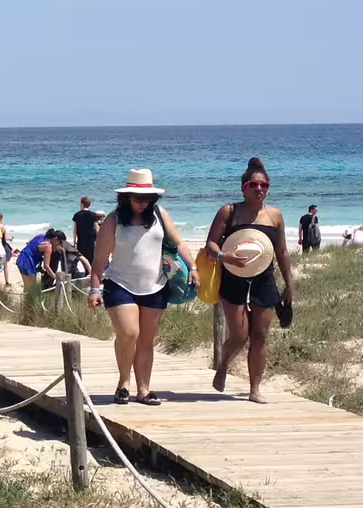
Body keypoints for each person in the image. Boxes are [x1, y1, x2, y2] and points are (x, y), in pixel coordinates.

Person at [88, 169, 196, 405]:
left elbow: (179, 243)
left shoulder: (160, 214)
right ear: (126, 198)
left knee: (146, 340)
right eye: (138, 199)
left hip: (156, 285)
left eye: (148, 199)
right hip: (119, 284)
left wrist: (193, 267)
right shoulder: (113, 220)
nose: (143, 203)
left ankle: (144, 390)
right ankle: (123, 382)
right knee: (129, 333)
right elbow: (99, 260)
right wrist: (95, 289)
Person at [205, 157, 295, 404]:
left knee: (260, 335)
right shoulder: (229, 211)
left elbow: (282, 252)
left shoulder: (275, 216)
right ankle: (223, 364)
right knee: (239, 336)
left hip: (264, 279)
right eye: (254, 185)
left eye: (264, 185)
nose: (260, 189)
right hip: (233, 278)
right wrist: (225, 256)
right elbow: (210, 244)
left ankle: (255, 389)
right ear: (243, 187)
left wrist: (289, 282)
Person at [16, 228, 68, 294]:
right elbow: (46, 266)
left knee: (27, 287)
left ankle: (25, 303)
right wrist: (55, 277)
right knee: (31, 289)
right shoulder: (48, 246)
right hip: (27, 263)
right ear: (55, 239)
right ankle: (27, 303)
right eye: (60, 242)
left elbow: (28, 243)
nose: (60, 245)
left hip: (21, 258)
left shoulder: (41, 236)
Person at [71, 196, 103, 266]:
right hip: (91, 240)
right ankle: (89, 273)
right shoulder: (94, 215)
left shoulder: (77, 215)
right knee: (91, 259)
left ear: (82, 204)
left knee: (80, 257)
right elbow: (97, 228)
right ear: (89, 205)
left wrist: (74, 243)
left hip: (81, 240)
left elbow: (75, 230)